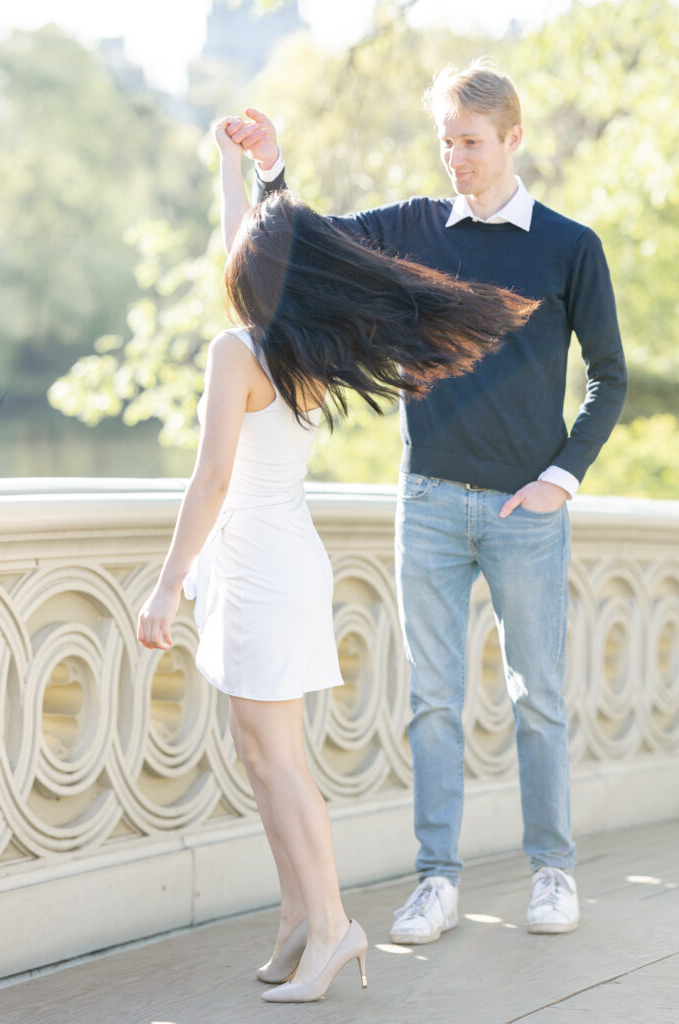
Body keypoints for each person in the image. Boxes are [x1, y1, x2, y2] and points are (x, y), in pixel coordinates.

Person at [227, 56, 628, 943]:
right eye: (446, 141)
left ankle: (552, 872)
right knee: (434, 702)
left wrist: (559, 480)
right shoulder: (412, 225)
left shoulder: (569, 246)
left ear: (513, 139)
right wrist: (270, 167)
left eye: (472, 143)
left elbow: (609, 378)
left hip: (525, 513)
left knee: (537, 698)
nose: (456, 158)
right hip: (430, 503)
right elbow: (307, 243)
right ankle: (436, 881)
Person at [136, 119, 536, 1003]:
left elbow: (209, 483)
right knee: (261, 752)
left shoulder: (236, 352)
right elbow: (251, 248)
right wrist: (230, 168)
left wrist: (165, 584)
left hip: (260, 567)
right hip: (276, 561)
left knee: (279, 762)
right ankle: (297, 919)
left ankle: (330, 928)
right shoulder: (296, 343)